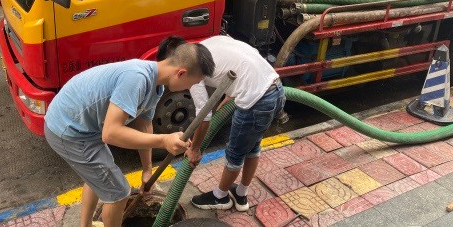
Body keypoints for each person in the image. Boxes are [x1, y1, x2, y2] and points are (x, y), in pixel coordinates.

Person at [44, 42, 215, 227]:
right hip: (68, 130)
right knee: (118, 193)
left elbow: (144, 125)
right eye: (193, 83)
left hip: (83, 126)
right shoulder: (137, 78)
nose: (190, 88)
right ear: (181, 73)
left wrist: (147, 169)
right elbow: (111, 133)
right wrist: (164, 140)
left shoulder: (155, 84)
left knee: (99, 177)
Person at [159, 35, 285, 212]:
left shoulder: (191, 68)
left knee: (235, 153)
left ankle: (221, 197)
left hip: (256, 101)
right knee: (252, 146)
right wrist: (231, 93)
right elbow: (246, 57)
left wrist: (195, 149)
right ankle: (241, 194)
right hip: (276, 88)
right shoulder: (212, 43)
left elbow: (204, 115)